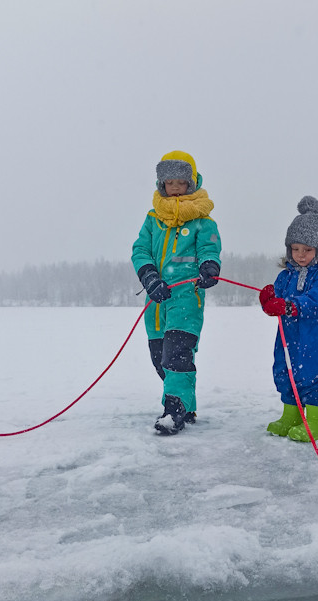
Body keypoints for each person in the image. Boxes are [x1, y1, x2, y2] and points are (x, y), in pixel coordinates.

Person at [132, 150, 221, 434]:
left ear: (191, 183)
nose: (174, 187)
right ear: (162, 184)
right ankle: (186, 404)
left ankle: (174, 410)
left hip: (186, 298)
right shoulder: (152, 219)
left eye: (180, 182)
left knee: (177, 355)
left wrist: (209, 267)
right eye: (168, 182)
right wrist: (149, 277)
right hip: (157, 300)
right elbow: (140, 250)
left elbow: (209, 247)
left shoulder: (202, 220)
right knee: (160, 357)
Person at [259, 196, 318, 441]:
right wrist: (269, 300)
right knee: (286, 371)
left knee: (313, 375)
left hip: (315, 340)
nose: (300, 255)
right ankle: (292, 415)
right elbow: (278, 303)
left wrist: (289, 305)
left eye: (307, 250)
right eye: (295, 249)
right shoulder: (286, 276)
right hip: (287, 340)